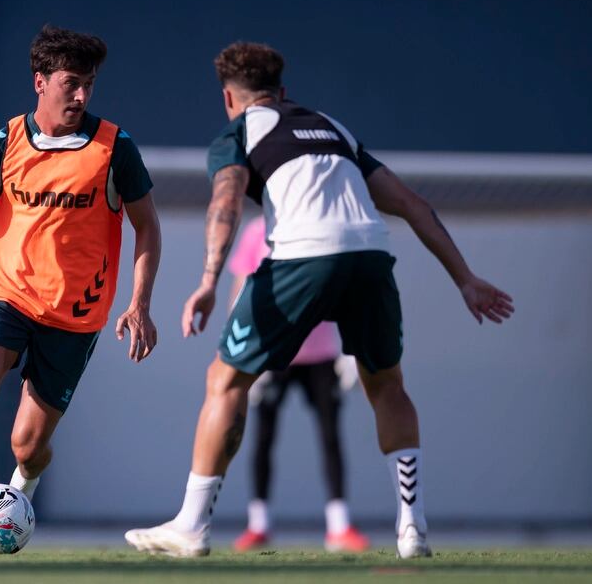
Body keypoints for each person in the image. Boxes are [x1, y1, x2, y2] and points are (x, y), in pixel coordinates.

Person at [125, 42, 513, 559]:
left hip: (301, 257)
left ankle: (192, 526)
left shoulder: (238, 133)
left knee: (226, 381)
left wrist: (209, 280)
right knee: (387, 385)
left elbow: (226, 201)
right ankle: (412, 527)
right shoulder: (333, 128)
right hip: (371, 255)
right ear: (282, 91)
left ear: (228, 99)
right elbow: (411, 203)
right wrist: (465, 278)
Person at [0, 25, 161, 555]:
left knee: (27, 444)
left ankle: (19, 496)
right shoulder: (3, 144)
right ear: (40, 81)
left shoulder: (115, 148)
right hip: (5, 292)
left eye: (89, 84)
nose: (81, 95)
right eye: (70, 83)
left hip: (77, 313)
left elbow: (147, 226)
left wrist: (140, 302)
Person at [229, 216, 368, 553]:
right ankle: (258, 523)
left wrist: (352, 348)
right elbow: (242, 289)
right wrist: (246, 352)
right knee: (263, 437)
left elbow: (344, 286)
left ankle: (339, 524)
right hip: (273, 352)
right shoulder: (256, 231)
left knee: (330, 435)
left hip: (321, 353)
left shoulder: (323, 223)